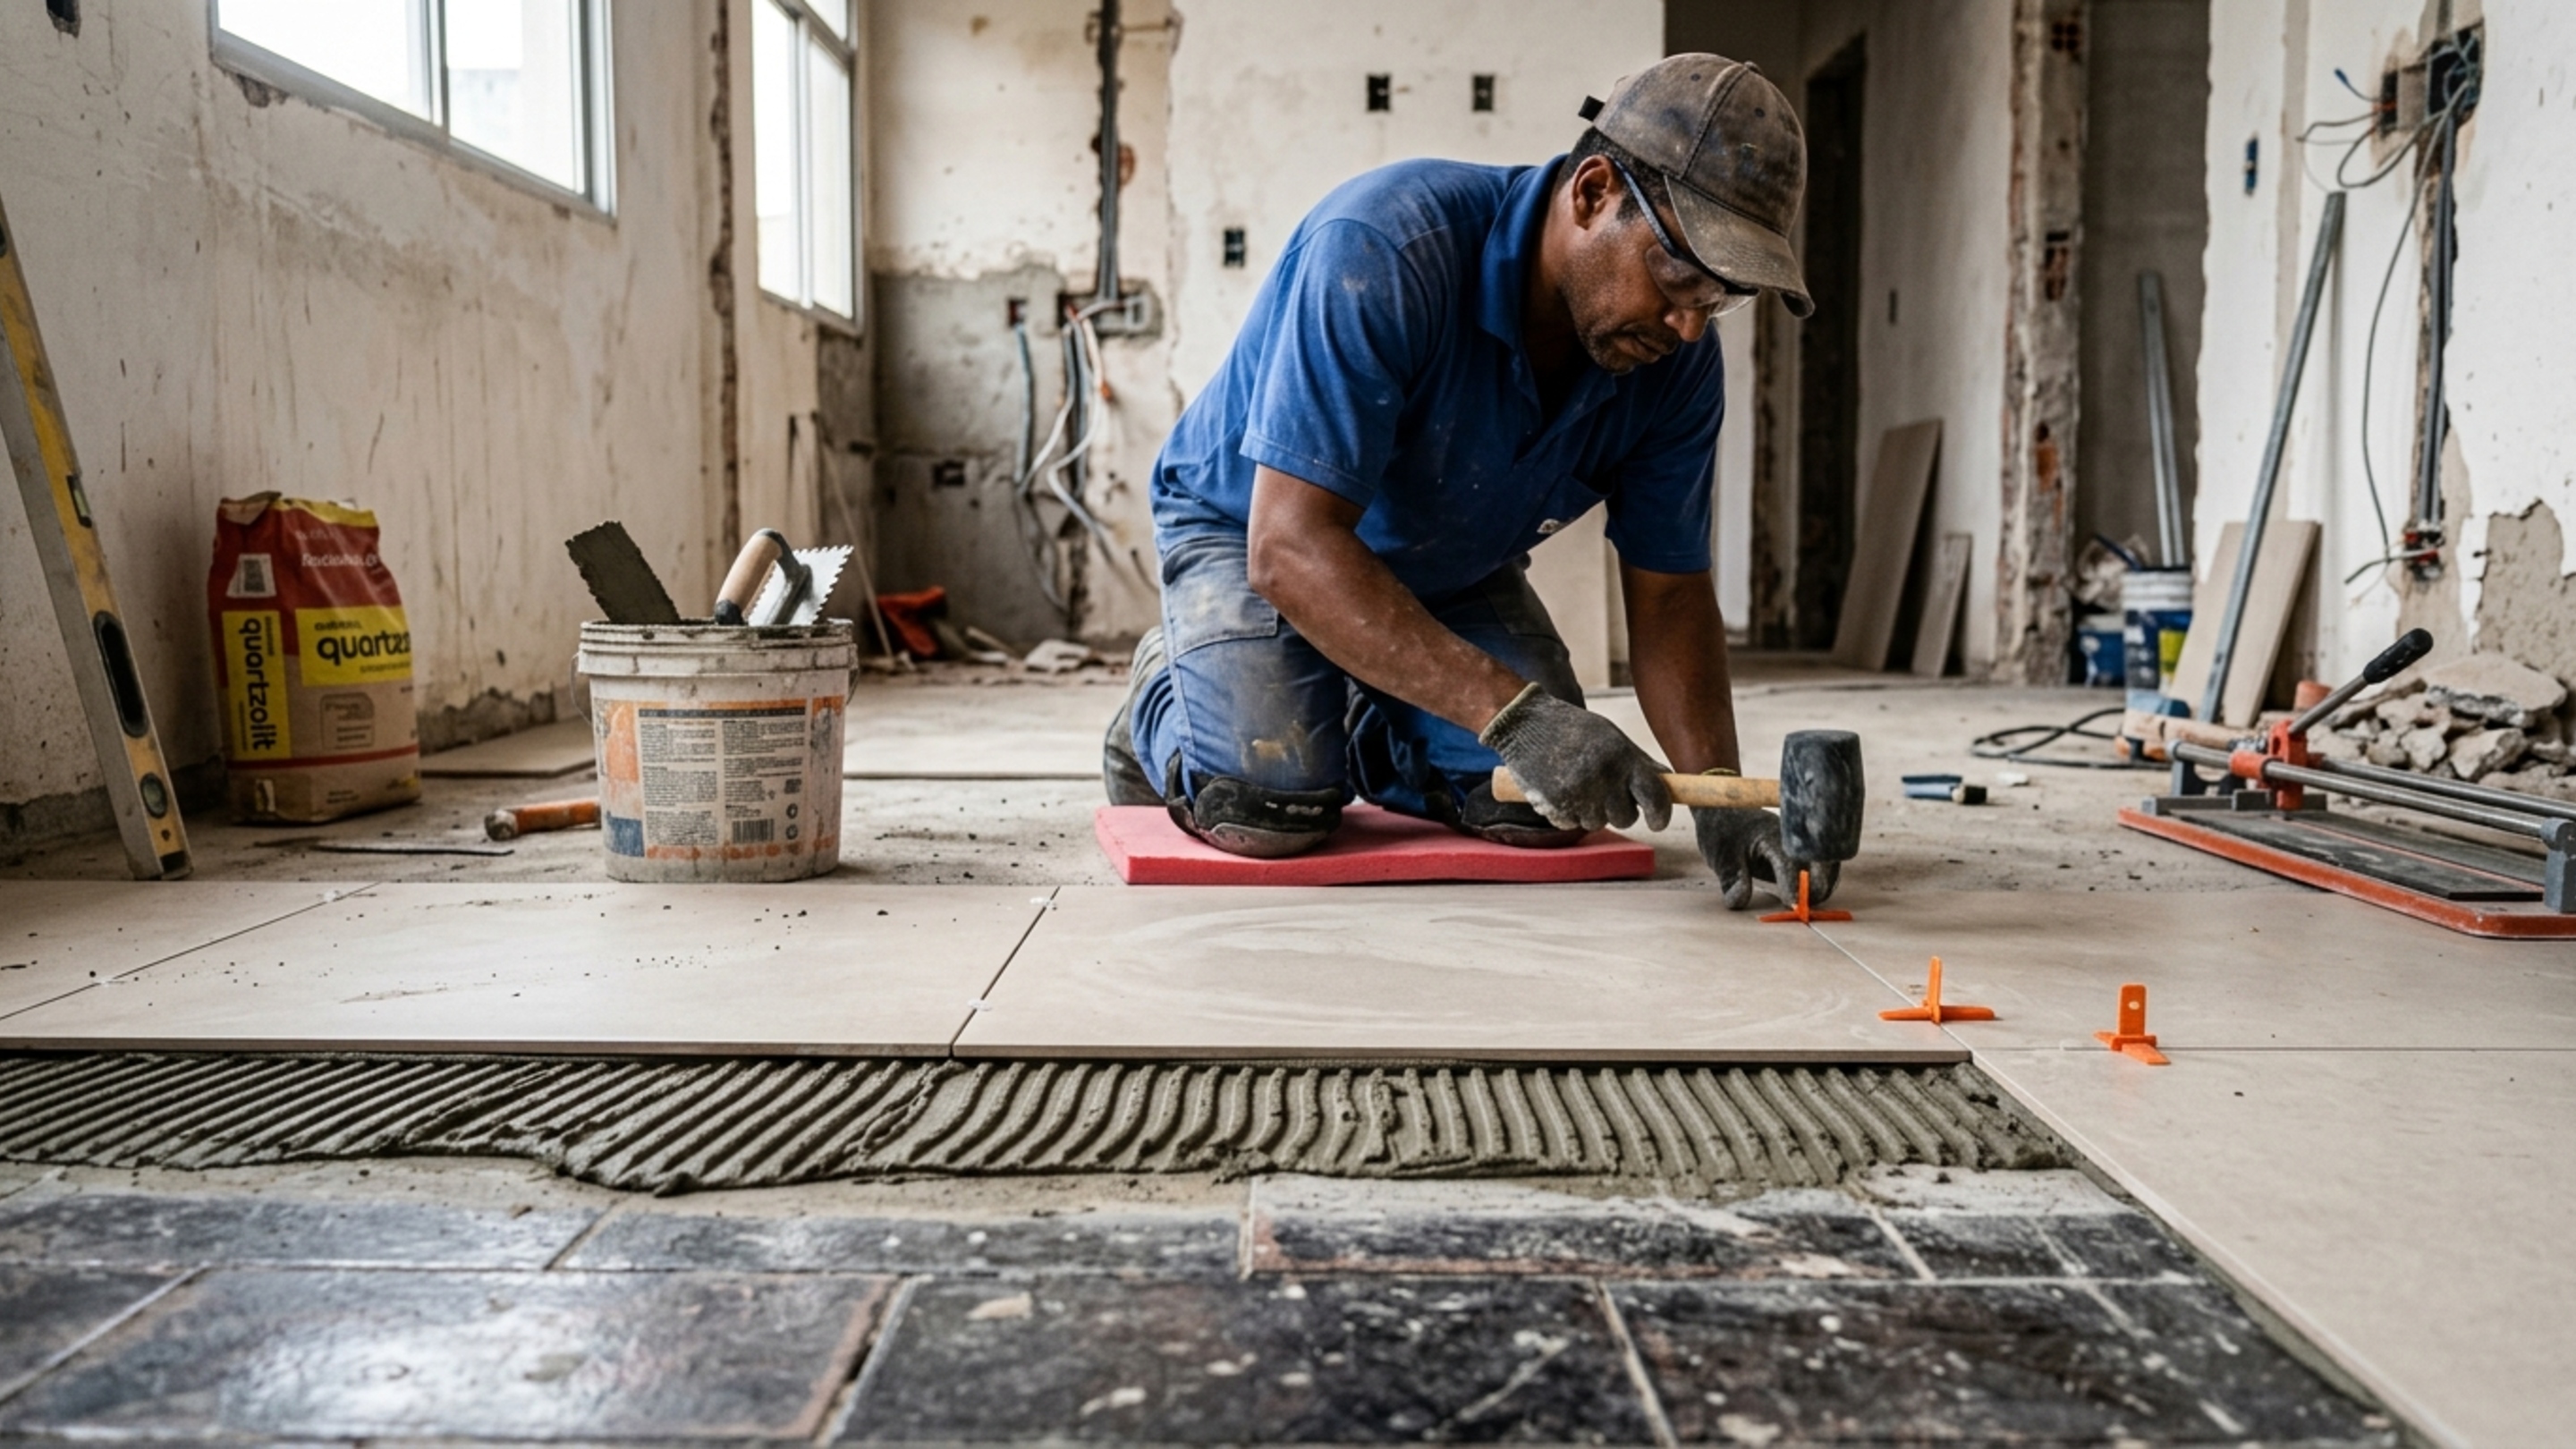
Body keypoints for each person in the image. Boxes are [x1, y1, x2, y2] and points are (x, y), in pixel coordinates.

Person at [1104, 54, 1834, 908]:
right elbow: (1291, 544)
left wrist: (1719, 796)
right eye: (1677, 277)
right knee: (1269, 804)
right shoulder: (1384, 248)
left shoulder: (1673, 364)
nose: (1686, 323)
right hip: (1255, 535)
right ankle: (1171, 694)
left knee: (1544, 805)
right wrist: (1516, 715)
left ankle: (1364, 705)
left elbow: (1670, 595)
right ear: (1594, 192)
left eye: (1721, 298)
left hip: (1446, 564)